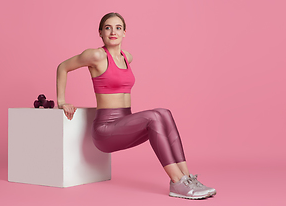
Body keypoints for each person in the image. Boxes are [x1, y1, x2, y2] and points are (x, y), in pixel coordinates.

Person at [56, 12, 216, 199]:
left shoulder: (127, 58)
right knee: (153, 116)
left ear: (125, 33)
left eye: (118, 28)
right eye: (108, 28)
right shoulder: (96, 55)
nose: (113, 32)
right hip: (105, 130)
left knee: (164, 112)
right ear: (100, 32)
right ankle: (176, 181)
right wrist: (61, 101)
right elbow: (63, 67)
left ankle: (187, 178)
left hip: (124, 124)